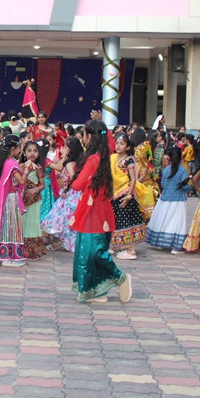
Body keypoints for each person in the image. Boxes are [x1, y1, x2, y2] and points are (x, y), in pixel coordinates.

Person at [70, 119, 132, 304]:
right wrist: (103, 125)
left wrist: (72, 171)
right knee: (96, 249)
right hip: (102, 207)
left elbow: (77, 185)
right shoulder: (105, 154)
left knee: (91, 252)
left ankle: (120, 277)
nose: (83, 138)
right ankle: (96, 291)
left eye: (84, 134)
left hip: (91, 211)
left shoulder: (93, 159)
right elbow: (110, 141)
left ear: (90, 137)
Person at [0, 134, 27, 266]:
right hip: (11, 199)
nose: (20, 151)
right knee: (12, 225)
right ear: (13, 148)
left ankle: (3, 254)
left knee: (6, 225)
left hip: (8, 198)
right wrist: (27, 170)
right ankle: (9, 257)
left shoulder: (6, 161)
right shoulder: (11, 163)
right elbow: (21, 181)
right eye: (19, 148)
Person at [109, 133, 150, 260]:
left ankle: (130, 249)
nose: (118, 146)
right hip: (115, 193)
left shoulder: (129, 160)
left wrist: (128, 196)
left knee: (126, 221)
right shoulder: (113, 158)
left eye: (121, 144)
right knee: (116, 220)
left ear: (127, 147)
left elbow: (133, 180)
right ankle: (116, 245)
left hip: (125, 192)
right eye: (117, 143)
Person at [42, 136, 84, 252]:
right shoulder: (82, 160)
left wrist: (66, 189)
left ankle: (60, 241)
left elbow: (73, 179)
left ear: (71, 149)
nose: (63, 148)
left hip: (72, 192)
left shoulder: (69, 164)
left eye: (66, 147)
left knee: (58, 215)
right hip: (80, 192)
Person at [146, 147, 190, 253]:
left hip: (164, 199)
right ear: (180, 157)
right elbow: (185, 187)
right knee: (176, 223)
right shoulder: (182, 171)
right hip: (178, 200)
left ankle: (161, 243)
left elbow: (163, 184)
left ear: (169, 158)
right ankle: (176, 247)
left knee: (163, 221)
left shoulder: (165, 170)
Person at [22, 141, 46, 260]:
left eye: (35, 151)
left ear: (38, 153)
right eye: (29, 151)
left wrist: (35, 189)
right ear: (24, 153)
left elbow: (43, 185)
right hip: (22, 200)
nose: (32, 153)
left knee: (32, 224)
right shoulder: (21, 166)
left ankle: (32, 251)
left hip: (34, 201)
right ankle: (21, 250)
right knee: (23, 223)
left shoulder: (38, 168)